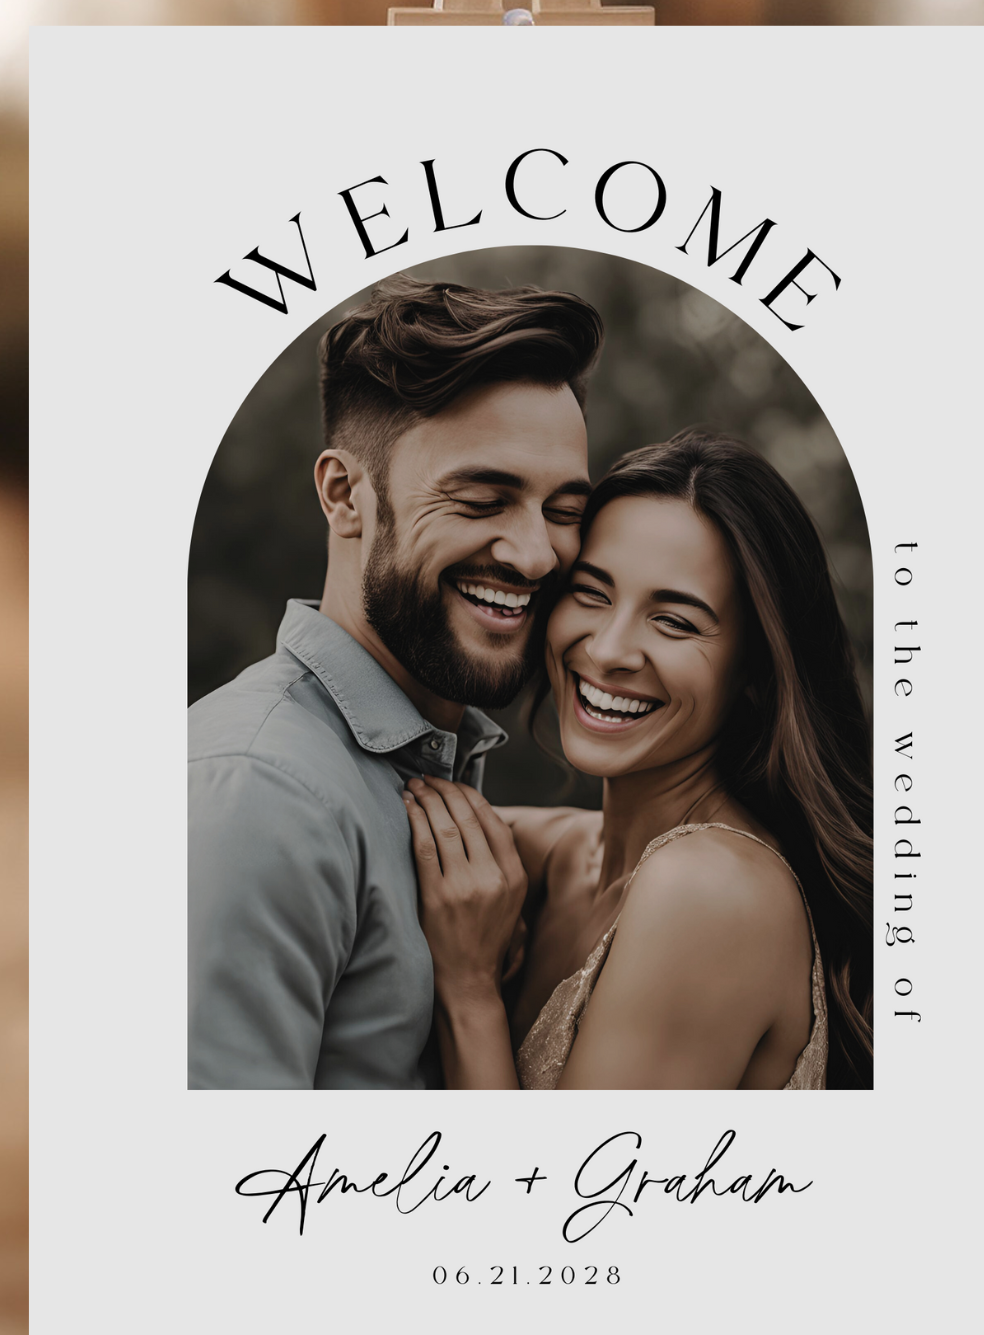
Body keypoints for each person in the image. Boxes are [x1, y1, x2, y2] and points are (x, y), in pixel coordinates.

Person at [188, 277, 602, 1088]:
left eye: (562, 509)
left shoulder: (422, 773)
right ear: (345, 495)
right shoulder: (258, 796)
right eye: (483, 498)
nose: (535, 555)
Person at [402, 430, 875, 1089]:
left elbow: (573, 1193)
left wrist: (468, 991)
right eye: (592, 594)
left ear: (757, 671)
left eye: (675, 621)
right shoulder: (552, 856)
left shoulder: (714, 891)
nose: (609, 649)